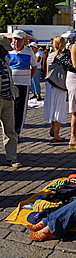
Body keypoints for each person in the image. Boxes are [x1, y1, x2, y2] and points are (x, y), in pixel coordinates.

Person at [7, 30, 37, 137]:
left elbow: (34, 66)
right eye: (15, 39)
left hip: (23, 84)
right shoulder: (7, 50)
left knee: (20, 109)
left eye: (19, 39)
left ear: (24, 40)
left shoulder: (29, 52)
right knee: (9, 108)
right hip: (9, 84)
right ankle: (8, 131)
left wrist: (29, 78)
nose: (16, 42)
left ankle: (16, 132)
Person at [0, 35, 21, 167]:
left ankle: (11, 157)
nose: (7, 51)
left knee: (11, 130)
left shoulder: (5, 60)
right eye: (4, 49)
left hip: (8, 98)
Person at [43, 36, 67, 143]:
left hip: (50, 83)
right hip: (60, 84)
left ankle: (53, 128)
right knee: (59, 108)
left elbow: (47, 71)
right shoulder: (64, 56)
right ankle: (56, 134)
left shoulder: (50, 55)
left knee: (52, 107)